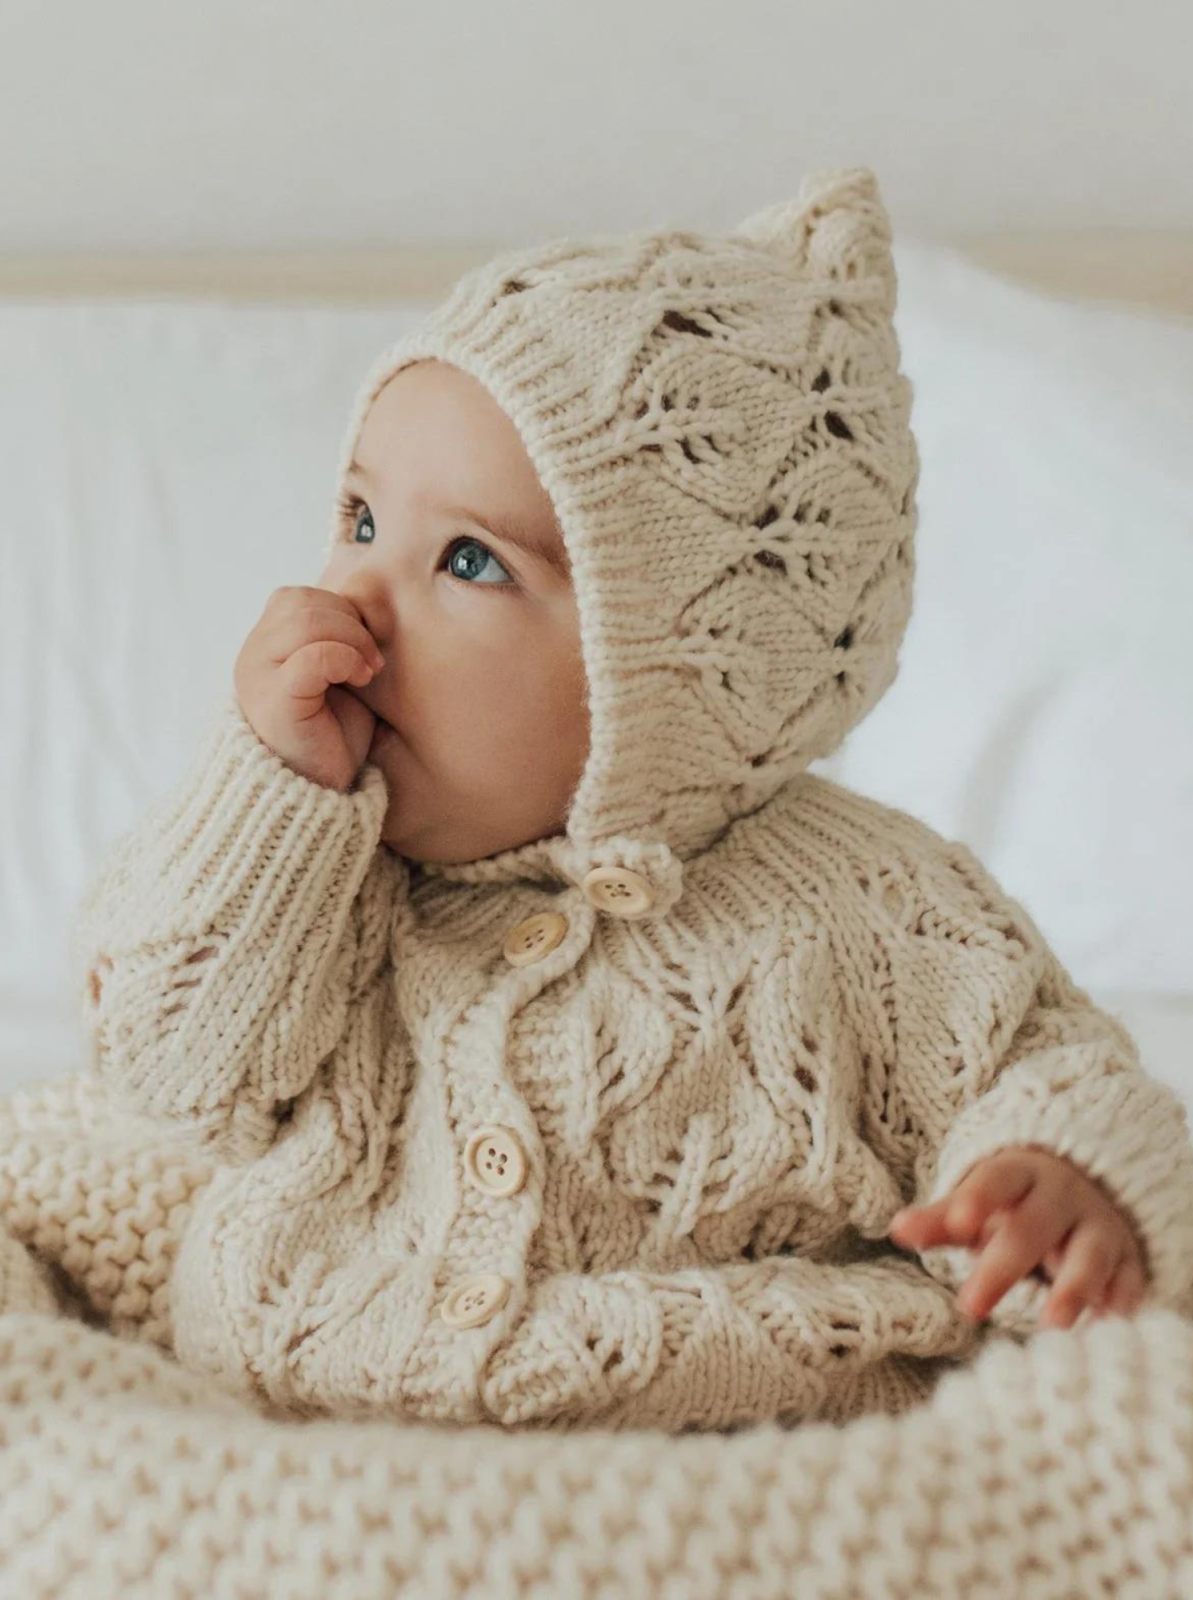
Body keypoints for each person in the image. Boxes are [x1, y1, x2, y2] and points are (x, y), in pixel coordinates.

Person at [70, 165, 1193, 1432]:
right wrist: (268, 796)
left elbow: (1048, 1063)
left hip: (714, 1459)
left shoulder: (863, 904)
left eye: (467, 560)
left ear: (670, 674)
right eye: (358, 515)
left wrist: (1058, 1180)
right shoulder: (318, 858)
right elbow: (163, 1068)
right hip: (298, 1412)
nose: (360, 598)